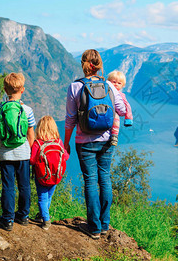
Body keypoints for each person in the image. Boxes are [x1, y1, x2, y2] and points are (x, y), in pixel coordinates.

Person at [64, 49, 126, 239]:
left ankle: (94, 228)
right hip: (107, 141)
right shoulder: (109, 85)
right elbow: (122, 110)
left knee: (91, 181)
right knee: (105, 179)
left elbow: (70, 119)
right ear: (99, 64)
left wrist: (65, 142)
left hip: (84, 142)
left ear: (83, 64)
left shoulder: (75, 87)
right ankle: (105, 224)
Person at [0, 72, 36, 231]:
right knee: (24, 186)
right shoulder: (27, 110)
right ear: (22, 89)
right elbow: (30, 134)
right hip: (23, 154)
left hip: (5, 154)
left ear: (4, 89)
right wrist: (29, 150)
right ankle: (23, 216)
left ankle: (8, 219)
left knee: (8, 186)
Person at [30, 116, 69, 230]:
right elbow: (66, 157)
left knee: (42, 198)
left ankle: (46, 220)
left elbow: (32, 160)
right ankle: (43, 215)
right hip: (56, 175)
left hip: (42, 176)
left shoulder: (38, 143)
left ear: (40, 128)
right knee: (49, 196)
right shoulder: (58, 142)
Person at [107, 70, 133, 146]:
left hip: (112, 112)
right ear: (109, 81)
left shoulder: (121, 95)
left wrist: (128, 119)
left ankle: (114, 136)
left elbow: (127, 106)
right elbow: (124, 108)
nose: (116, 84)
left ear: (123, 85)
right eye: (114, 82)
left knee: (116, 118)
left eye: (119, 83)